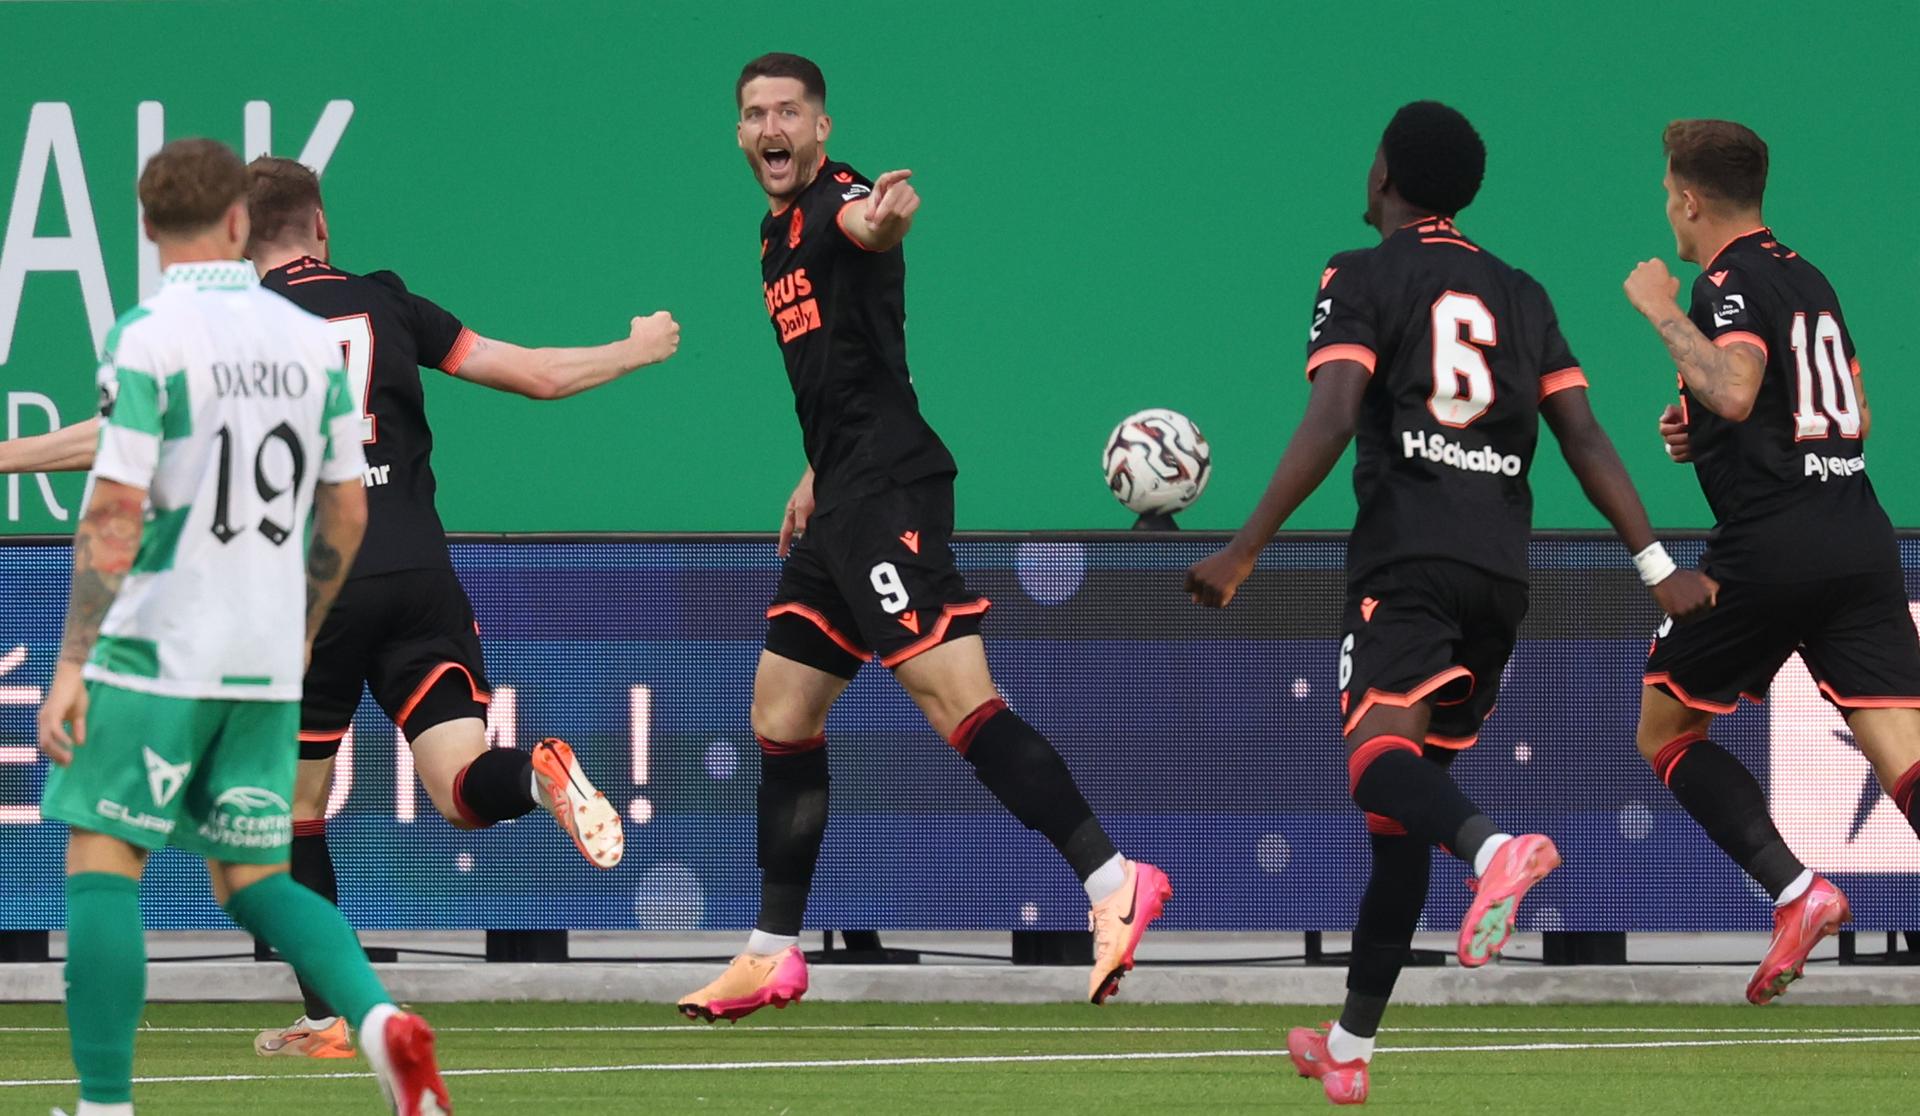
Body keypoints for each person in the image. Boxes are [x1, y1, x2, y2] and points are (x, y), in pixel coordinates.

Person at [1, 156, 681, 1058]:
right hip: (417, 576)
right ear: (321, 224)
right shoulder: (389, 302)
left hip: (305, 592)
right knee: (463, 788)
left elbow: (113, 435)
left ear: (238, 237)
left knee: (287, 815)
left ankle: (328, 1018)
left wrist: (8, 455)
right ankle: (537, 774)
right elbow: (536, 374)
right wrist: (633, 347)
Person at [1186, 102, 1717, 1105]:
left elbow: (1336, 411)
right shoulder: (1520, 291)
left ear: (1383, 169)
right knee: (1398, 815)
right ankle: (1350, 1045)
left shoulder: (1360, 273)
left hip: (1410, 559)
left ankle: (1495, 848)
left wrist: (1245, 547)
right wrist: (1657, 566)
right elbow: (1587, 436)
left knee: (1373, 760)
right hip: (1501, 575)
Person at [676, 52, 1170, 1023]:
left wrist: (886, 216)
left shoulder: (843, 203)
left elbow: (874, 223)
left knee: (959, 704)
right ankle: (773, 953)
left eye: (787, 113)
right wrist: (814, 474)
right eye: (752, 115)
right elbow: (850, 365)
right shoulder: (773, 234)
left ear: (820, 128)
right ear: (739, 135)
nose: (769, 127)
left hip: (889, 492)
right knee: (781, 708)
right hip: (843, 496)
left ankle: (1115, 882)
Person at [37, 138, 448, 1116]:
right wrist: (300, 622)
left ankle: (103, 1107)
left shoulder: (147, 336)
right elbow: (345, 512)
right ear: (237, 225)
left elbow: (113, 512)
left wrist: (71, 665)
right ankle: (382, 1021)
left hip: (157, 647)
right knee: (255, 875)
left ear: (147, 230)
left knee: (103, 861)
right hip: (263, 660)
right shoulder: (306, 344)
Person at [1624, 119, 1920, 1005]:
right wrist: (1707, 426)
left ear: (1687, 199)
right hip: (1859, 535)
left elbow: (1740, 385)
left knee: (1665, 730)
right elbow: (1851, 409)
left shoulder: (1721, 281)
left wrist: (1661, 309)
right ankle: (1801, 894)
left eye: (1667, 195)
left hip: (1774, 544)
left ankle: (1798, 892)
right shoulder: (1806, 274)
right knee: (1904, 756)